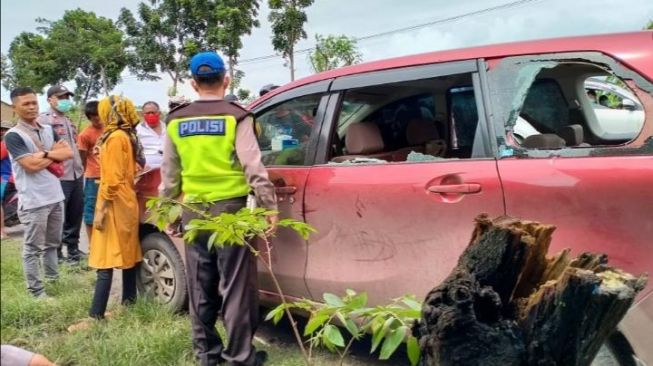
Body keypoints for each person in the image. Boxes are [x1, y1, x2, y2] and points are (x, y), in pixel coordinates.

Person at [161, 51, 278, 366]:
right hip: (232, 213)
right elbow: (253, 167)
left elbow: (169, 175)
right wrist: (269, 206)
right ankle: (240, 357)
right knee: (236, 286)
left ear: (193, 83)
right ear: (227, 79)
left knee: (201, 285)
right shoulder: (237, 116)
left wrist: (168, 211)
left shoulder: (175, 120)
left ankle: (208, 355)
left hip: (194, 213)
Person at [4, 87, 73, 298]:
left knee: (53, 243)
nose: (32, 107)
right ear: (15, 108)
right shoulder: (13, 136)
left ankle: (54, 281)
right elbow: (29, 166)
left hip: (55, 196)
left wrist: (42, 154)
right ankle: (36, 291)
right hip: (34, 200)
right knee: (33, 248)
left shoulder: (46, 129)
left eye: (34, 102)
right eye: (26, 104)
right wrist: (54, 155)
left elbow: (68, 152)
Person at [87, 95, 143, 320]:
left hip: (113, 202)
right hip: (126, 199)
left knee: (105, 259)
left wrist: (101, 210)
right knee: (128, 252)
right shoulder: (126, 135)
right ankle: (129, 303)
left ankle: (95, 315)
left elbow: (112, 178)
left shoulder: (113, 138)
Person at [37, 85, 85, 264]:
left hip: (76, 173)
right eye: (60, 97)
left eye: (67, 96)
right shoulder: (44, 120)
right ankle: (56, 254)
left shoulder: (69, 120)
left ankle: (73, 250)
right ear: (50, 99)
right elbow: (43, 147)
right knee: (58, 216)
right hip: (59, 176)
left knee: (75, 213)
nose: (65, 100)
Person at [77, 101, 103, 242]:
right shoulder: (85, 135)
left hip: (111, 175)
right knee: (91, 211)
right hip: (93, 177)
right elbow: (82, 158)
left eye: (99, 115)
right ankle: (92, 245)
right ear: (89, 118)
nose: (98, 119)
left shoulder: (111, 130)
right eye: (94, 117)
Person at [136, 101, 166, 169]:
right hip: (148, 171)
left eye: (153, 112)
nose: (151, 115)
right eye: (148, 113)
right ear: (143, 114)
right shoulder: (138, 130)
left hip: (167, 169)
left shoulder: (168, 127)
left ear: (159, 113)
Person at [1, 120, 15, 239]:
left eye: (5, 129)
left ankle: (1, 232)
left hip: (6, 178)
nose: (2, 131)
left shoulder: (5, 144)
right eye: (1, 129)